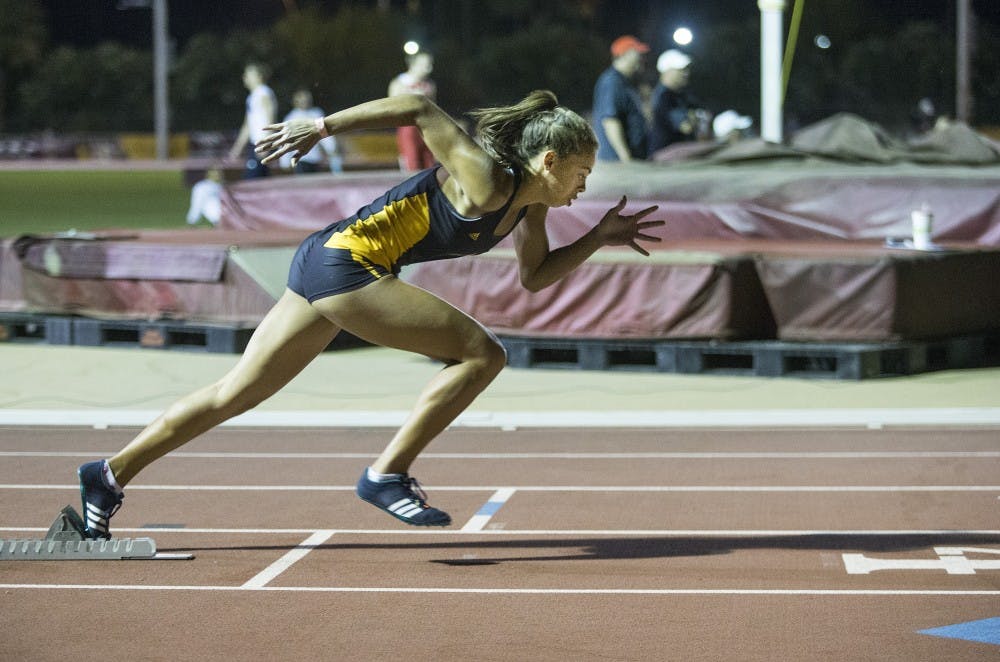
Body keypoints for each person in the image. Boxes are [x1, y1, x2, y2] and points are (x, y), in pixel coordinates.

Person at [75, 89, 664, 538]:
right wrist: (320, 126)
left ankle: (109, 474)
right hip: (347, 266)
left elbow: (535, 279)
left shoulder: (528, 212)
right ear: (550, 160)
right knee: (484, 354)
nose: (585, 186)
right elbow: (419, 106)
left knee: (235, 393)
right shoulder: (487, 180)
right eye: (582, 173)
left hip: (326, 262)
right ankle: (387, 473)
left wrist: (597, 236)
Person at [592, 35, 650, 162]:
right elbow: (610, 121)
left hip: (630, 159)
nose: (642, 58)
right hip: (618, 163)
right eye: (638, 53)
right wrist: (625, 157)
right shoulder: (612, 81)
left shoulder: (625, 82)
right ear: (625, 54)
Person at [649, 49, 710, 153]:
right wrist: (695, 118)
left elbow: (705, 115)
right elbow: (686, 127)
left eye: (686, 69)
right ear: (666, 71)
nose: (686, 73)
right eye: (680, 70)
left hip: (678, 155)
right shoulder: (664, 96)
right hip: (665, 158)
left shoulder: (681, 95)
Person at [388, 51, 437, 171]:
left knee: (430, 167)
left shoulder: (429, 85)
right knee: (412, 165)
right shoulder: (399, 83)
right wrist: (412, 97)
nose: (429, 68)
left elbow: (435, 110)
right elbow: (391, 107)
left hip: (426, 129)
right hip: (408, 128)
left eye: (430, 64)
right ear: (413, 65)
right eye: (425, 64)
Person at [227, 62, 277, 178]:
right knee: (259, 181)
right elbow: (247, 126)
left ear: (259, 76)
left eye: (249, 73)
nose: (245, 77)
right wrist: (237, 149)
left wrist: (267, 144)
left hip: (262, 143)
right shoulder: (252, 97)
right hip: (255, 144)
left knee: (252, 180)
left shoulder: (264, 92)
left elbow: (271, 119)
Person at [278, 89, 343, 174]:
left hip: (316, 159)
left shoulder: (316, 113)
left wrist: (331, 148)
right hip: (300, 160)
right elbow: (286, 140)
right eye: (302, 98)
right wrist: (284, 161)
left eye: (307, 98)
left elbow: (324, 133)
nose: (305, 101)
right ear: (295, 101)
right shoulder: (291, 117)